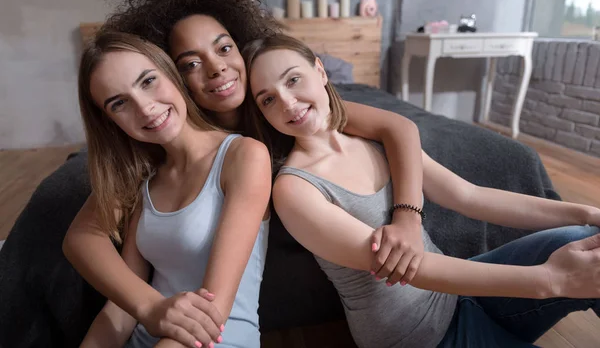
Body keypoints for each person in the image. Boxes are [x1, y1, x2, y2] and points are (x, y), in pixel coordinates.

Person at [64, 0, 428, 347]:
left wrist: (407, 214)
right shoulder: (161, 142)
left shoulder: (283, 104)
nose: (217, 68)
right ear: (175, 74)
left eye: (224, 48)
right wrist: (148, 307)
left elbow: (398, 127)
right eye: (190, 63)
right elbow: (85, 238)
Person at [242, 33, 600, 348]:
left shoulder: (373, 138)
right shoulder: (295, 190)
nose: (288, 102)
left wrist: (585, 212)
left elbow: (468, 196)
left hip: (459, 296)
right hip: (419, 335)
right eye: (268, 99)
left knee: (585, 237)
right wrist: (551, 280)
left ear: (320, 71)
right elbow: (415, 267)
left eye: (293, 79)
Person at [75, 30, 272, 347]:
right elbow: (122, 307)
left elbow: (211, 315)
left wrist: (153, 314)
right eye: (119, 103)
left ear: (170, 72)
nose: (145, 108)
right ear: (110, 121)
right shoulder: (146, 181)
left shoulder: (243, 156)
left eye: (148, 81)